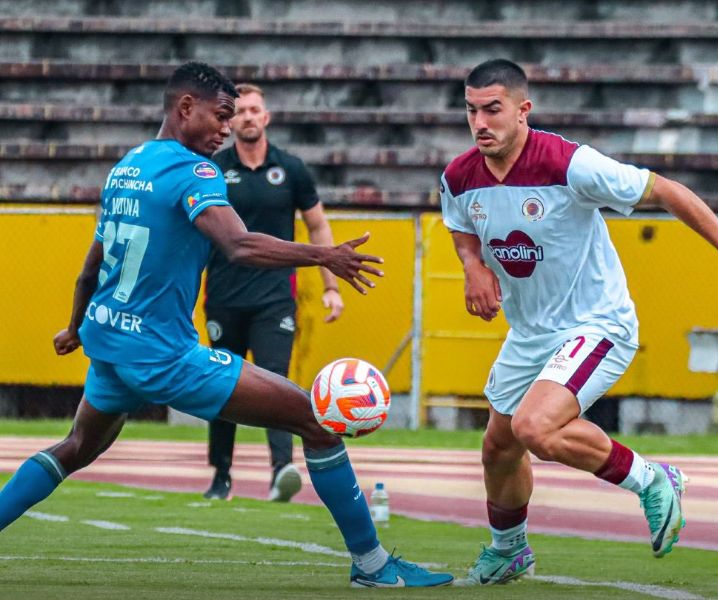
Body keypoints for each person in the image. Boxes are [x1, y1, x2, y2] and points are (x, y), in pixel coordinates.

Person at [0, 62, 453, 589]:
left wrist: (75, 326)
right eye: (219, 116)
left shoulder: (129, 165)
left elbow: (90, 266)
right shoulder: (195, 171)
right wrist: (322, 255)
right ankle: (373, 567)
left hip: (111, 342)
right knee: (317, 419)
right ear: (184, 107)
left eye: (232, 118)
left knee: (76, 446)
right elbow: (238, 244)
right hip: (162, 354)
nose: (225, 129)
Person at [439, 58, 718, 586]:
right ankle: (509, 550)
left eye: (493, 109)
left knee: (535, 427)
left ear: (523, 110)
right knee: (498, 447)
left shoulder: (569, 163)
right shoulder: (459, 175)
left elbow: (666, 190)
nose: (480, 123)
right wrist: (472, 269)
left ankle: (653, 479)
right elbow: (460, 224)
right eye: (472, 111)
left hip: (595, 323)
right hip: (530, 331)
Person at [202, 83, 343, 503]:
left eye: (254, 110)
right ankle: (220, 475)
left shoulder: (292, 169)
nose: (247, 116)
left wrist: (331, 284)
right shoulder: (212, 168)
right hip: (224, 295)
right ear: (231, 121)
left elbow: (317, 226)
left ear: (266, 118)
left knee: (276, 382)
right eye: (239, 110)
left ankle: (282, 469)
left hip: (275, 297)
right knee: (219, 385)